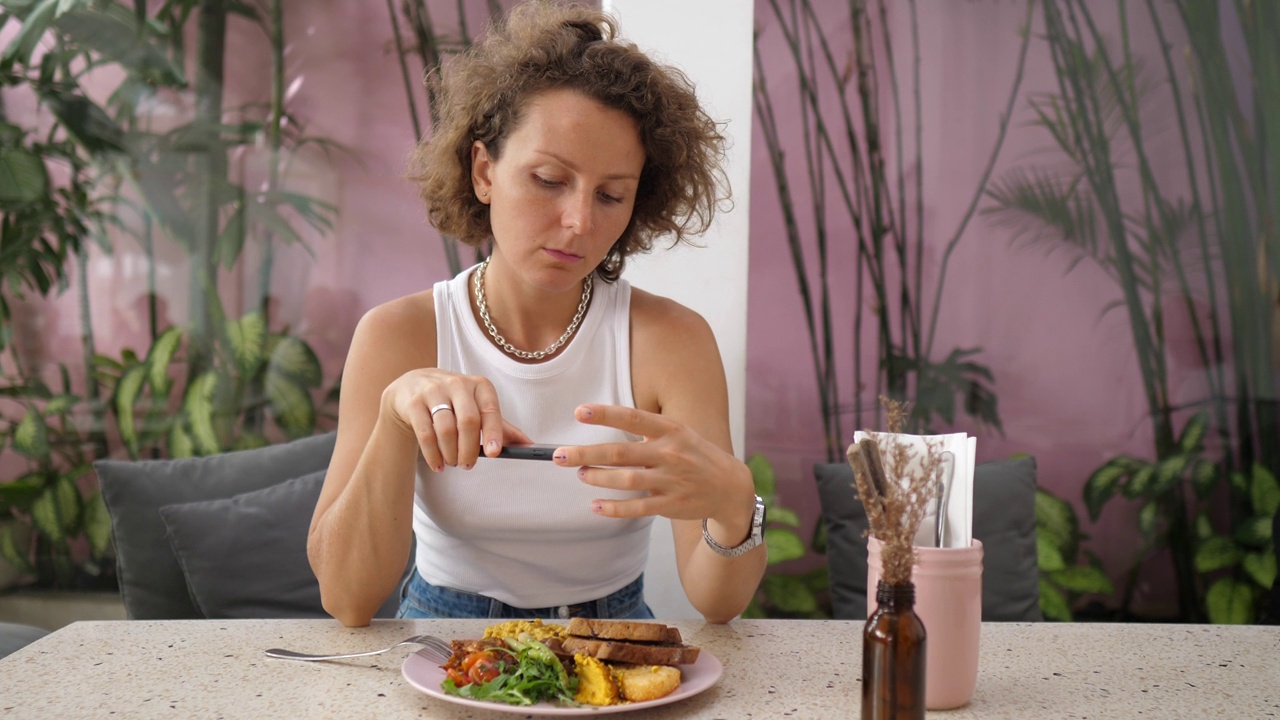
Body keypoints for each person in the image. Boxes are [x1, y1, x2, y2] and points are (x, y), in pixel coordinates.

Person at [307, 0, 766, 627]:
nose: (579, 221)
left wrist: (737, 506)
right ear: (484, 170)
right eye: (549, 179)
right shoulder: (400, 335)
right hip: (446, 638)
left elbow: (718, 602)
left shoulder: (671, 341)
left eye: (611, 195)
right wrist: (394, 418)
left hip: (612, 633)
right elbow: (347, 600)